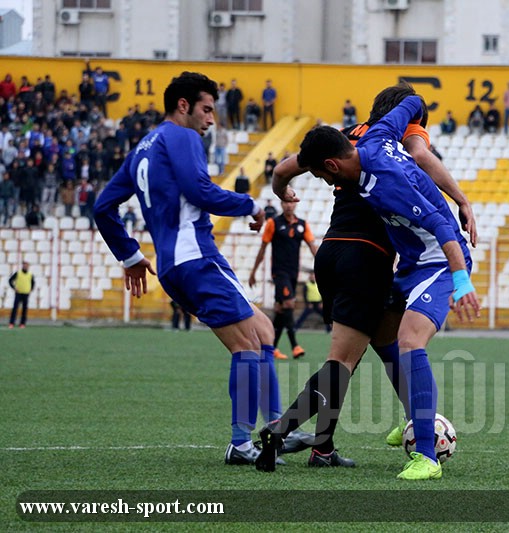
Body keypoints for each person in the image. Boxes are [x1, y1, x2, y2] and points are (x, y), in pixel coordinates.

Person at [254, 83, 475, 472]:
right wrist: (462, 199)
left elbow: (284, 169)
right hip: (371, 257)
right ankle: (287, 428)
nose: (325, 180)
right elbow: (421, 151)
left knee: (384, 342)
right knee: (348, 358)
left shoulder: (360, 138)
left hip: (335, 252)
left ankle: (350, 444)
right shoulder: (392, 139)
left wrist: (284, 193)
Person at [93, 71, 296, 467]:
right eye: (206, 109)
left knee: (264, 331)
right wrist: (252, 205)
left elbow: (102, 207)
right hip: (196, 257)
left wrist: (131, 256)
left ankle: (276, 428)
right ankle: (242, 443)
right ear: (183, 106)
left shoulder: (141, 149)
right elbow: (199, 191)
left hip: (176, 265)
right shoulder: (181, 136)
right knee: (247, 346)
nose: (211, 119)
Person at [248, 200, 317, 360]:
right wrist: (253, 272)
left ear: (296, 205)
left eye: (291, 203)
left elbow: (313, 247)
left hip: (293, 274)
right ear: (281, 204)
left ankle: (270, 348)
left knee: (280, 310)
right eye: (285, 202)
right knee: (289, 304)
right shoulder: (273, 223)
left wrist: (323, 265)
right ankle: (295, 346)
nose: (288, 206)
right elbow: (263, 248)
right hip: (279, 273)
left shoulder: (302, 225)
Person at [8, 261, 34, 329]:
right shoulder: (18, 273)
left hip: (26, 294)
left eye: (26, 265)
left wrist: (31, 289)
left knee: (24, 309)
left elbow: (33, 283)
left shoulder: (30, 274)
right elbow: (10, 280)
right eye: (24, 265)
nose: (25, 266)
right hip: (18, 293)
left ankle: (22, 323)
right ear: (22, 266)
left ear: (28, 266)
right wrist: (14, 288)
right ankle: (11, 323)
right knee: (15, 308)